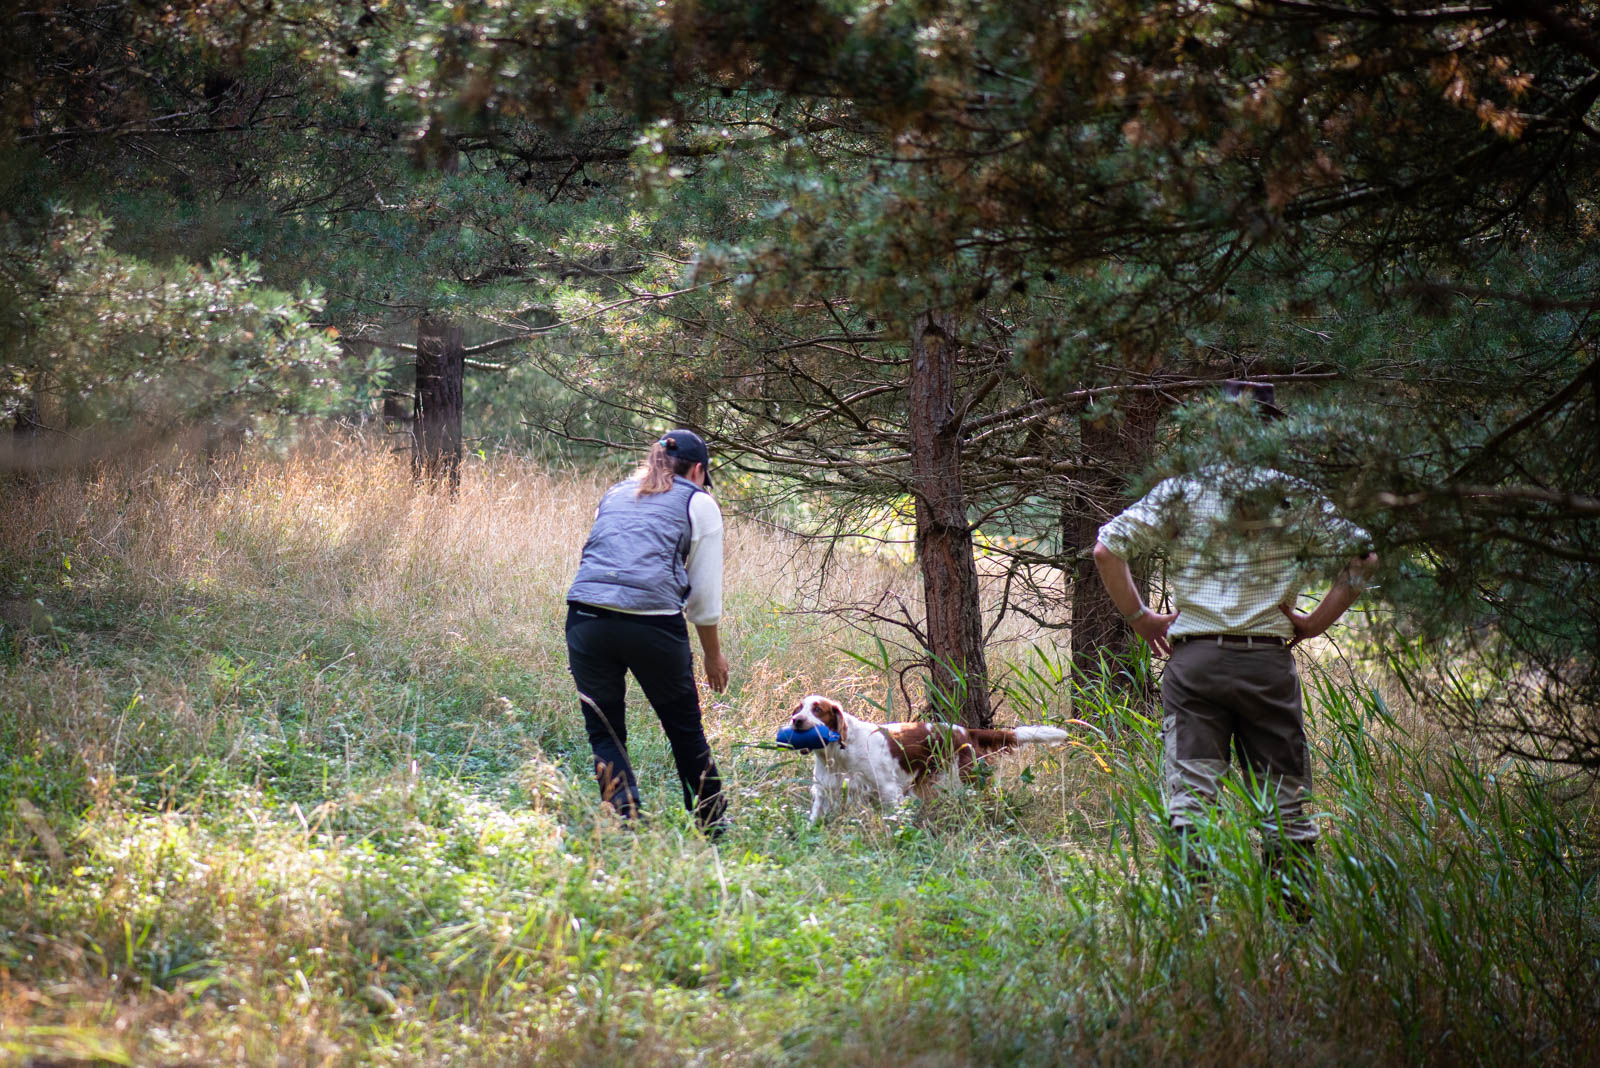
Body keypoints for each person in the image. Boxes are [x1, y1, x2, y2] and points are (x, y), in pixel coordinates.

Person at [1091, 380, 1377, 915]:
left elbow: (1107, 549)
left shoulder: (1181, 491)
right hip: (1267, 666)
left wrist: (1140, 618)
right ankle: (1292, 924)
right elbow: (1363, 558)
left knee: (1191, 804)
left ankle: (1191, 921)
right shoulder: (1295, 494)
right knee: (1285, 806)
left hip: (1194, 667)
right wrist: (1314, 623)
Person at [566, 429, 730, 835]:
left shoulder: (615, 493)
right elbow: (704, 599)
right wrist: (712, 655)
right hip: (652, 624)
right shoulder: (699, 502)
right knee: (684, 730)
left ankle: (626, 827)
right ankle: (712, 827)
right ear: (698, 470)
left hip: (586, 618)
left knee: (604, 732)